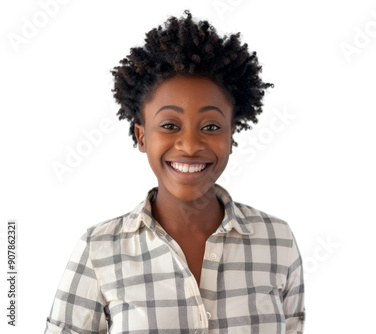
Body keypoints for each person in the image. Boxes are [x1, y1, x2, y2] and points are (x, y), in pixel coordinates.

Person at [44, 10, 305, 334]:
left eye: (211, 126)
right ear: (142, 136)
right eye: (169, 125)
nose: (191, 145)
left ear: (231, 136)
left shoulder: (277, 240)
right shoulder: (99, 249)